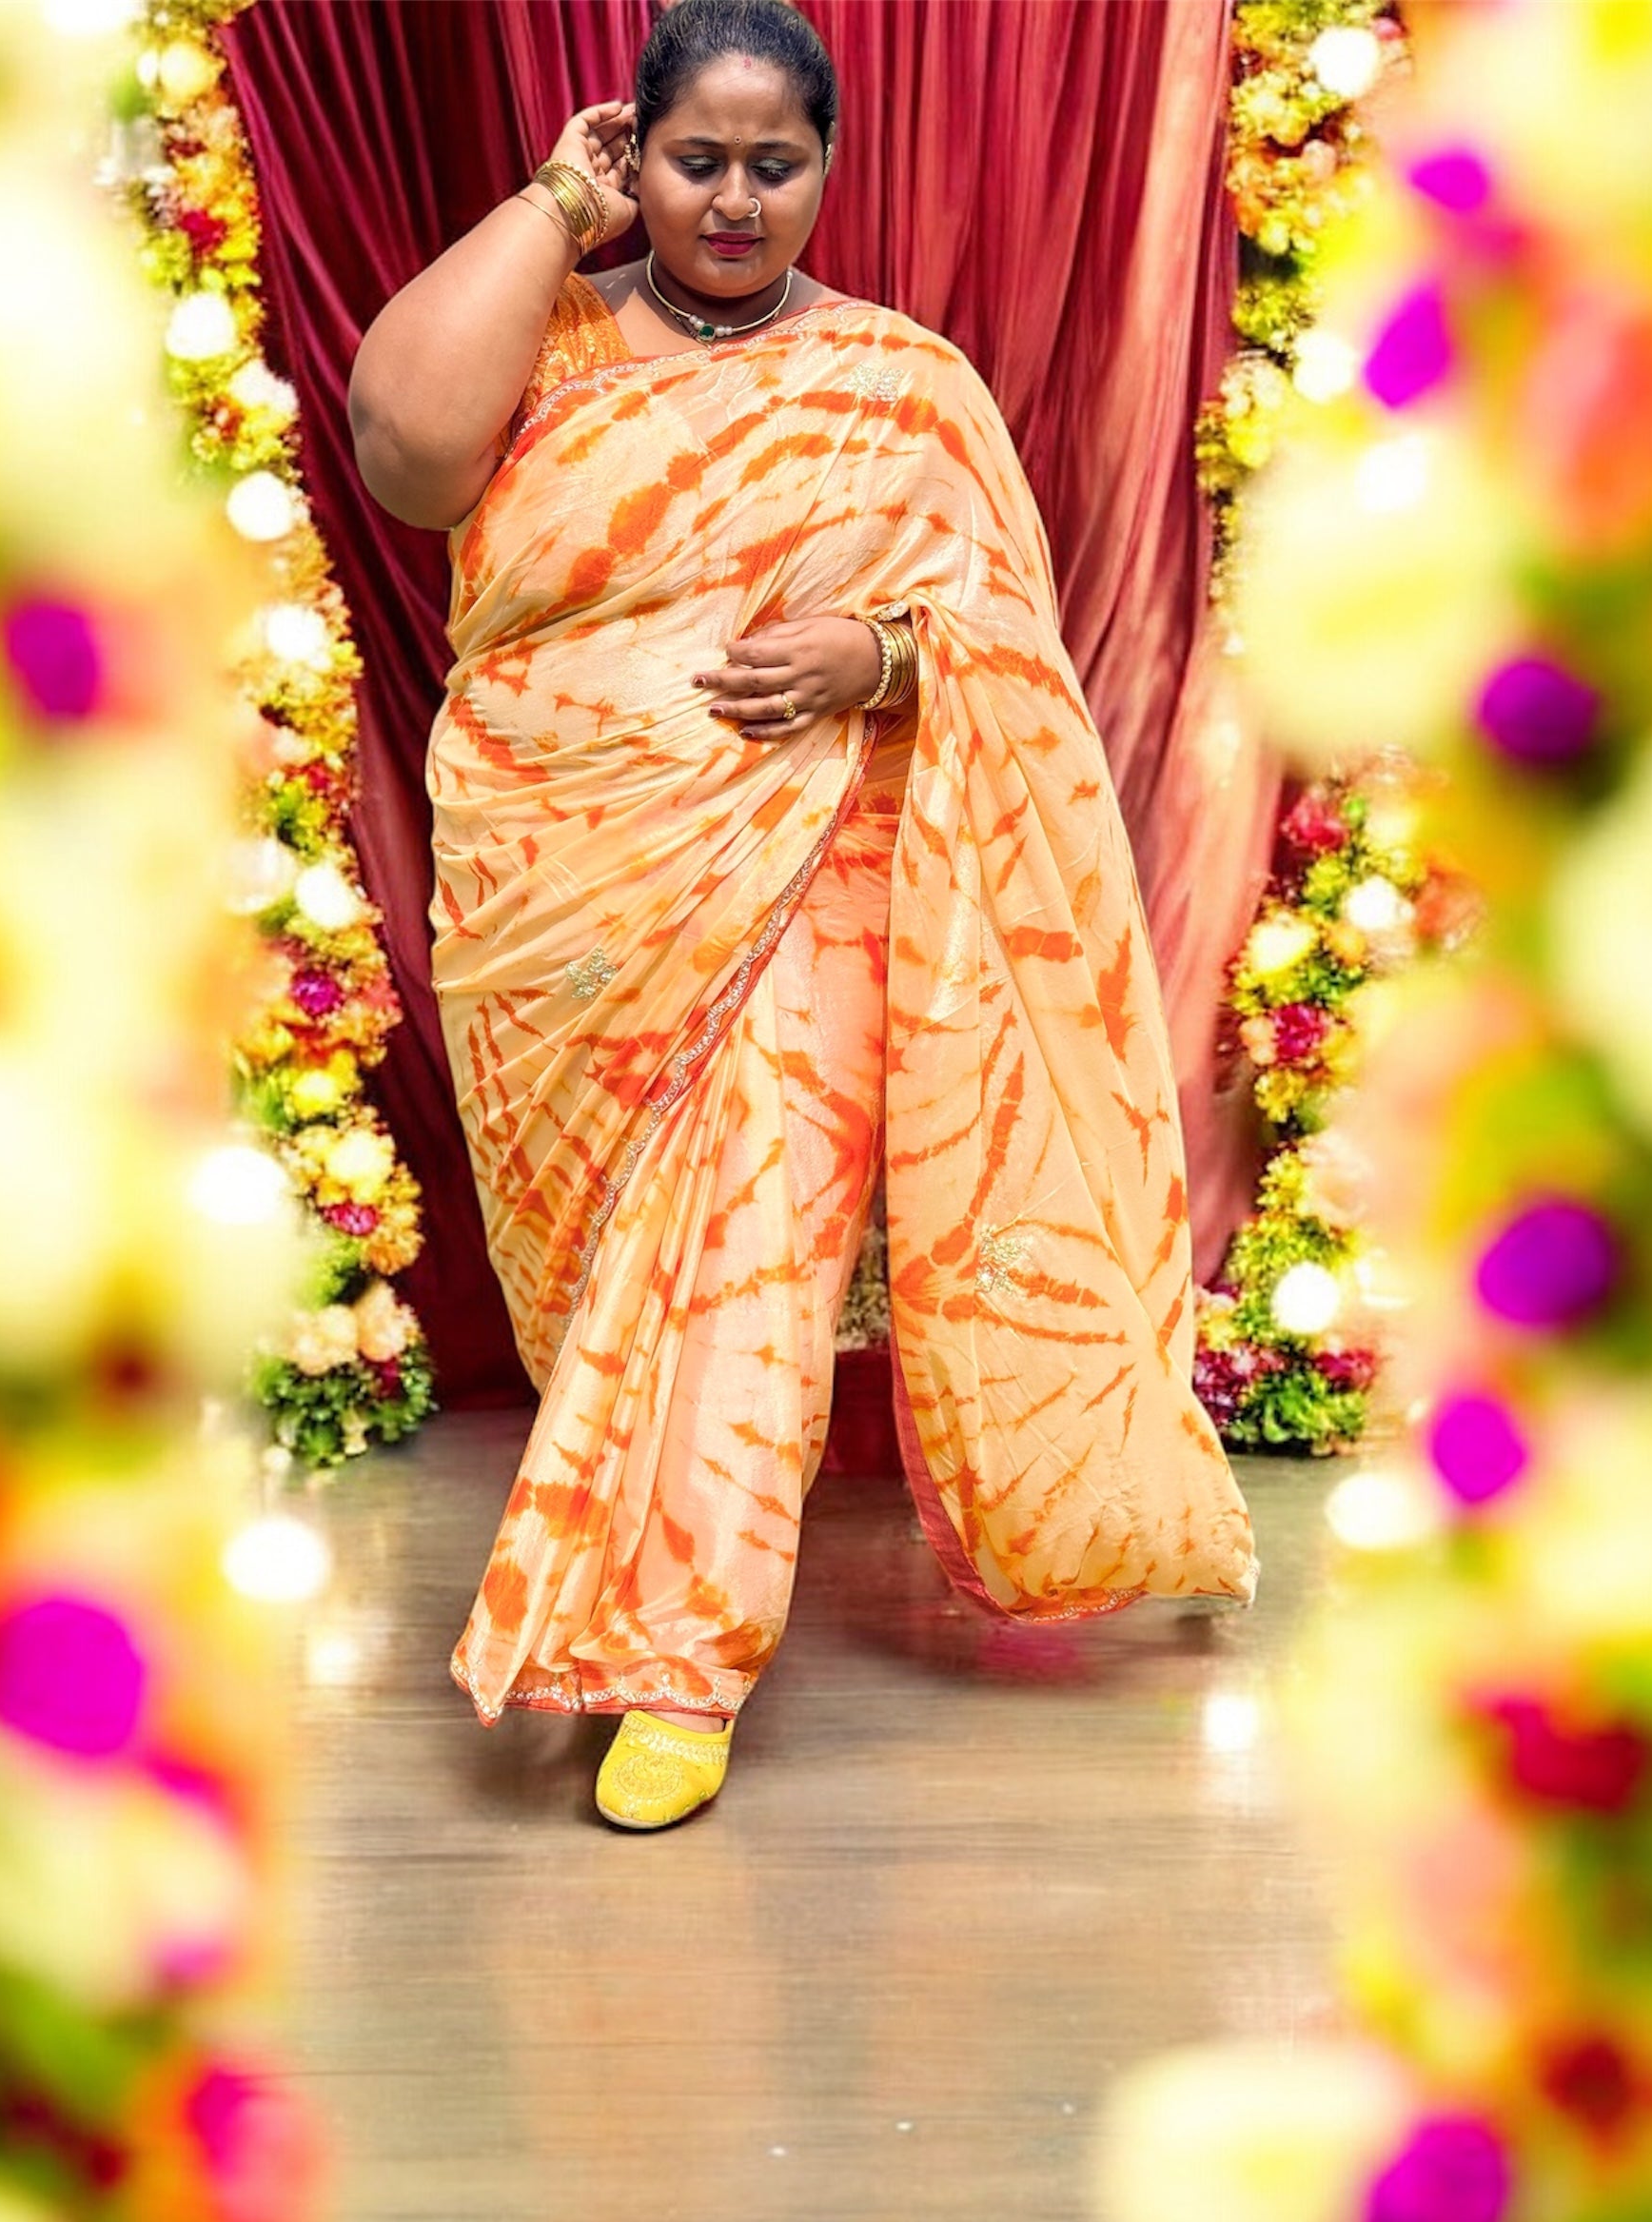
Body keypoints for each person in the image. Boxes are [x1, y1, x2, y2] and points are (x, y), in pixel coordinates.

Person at [347, 0, 1254, 1834]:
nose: (739, 200)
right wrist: (549, 210)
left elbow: (1019, 661)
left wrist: (887, 653)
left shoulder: (906, 385)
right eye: (698, 161)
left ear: (829, 168)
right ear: (635, 156)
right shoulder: (559, 339)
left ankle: (679, 1663)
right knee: (611, 1278)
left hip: (816, 876)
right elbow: (403, 455)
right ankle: (642, 1569)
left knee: (747, 1228)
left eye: (778, 164)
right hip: (562, 890)